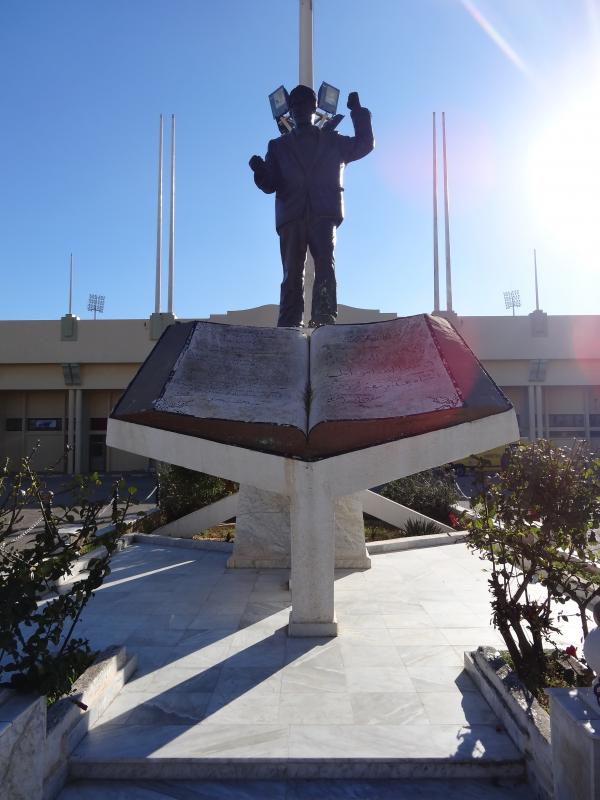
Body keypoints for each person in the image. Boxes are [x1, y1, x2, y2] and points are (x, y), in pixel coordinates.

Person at [249, 85, 374, 328]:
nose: (300, 110)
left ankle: (324, 318)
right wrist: (259, 170)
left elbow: (365, 143)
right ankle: (289, 323)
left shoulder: (332, 141)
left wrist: (358, 112)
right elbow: (270, 184)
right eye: (296, 106)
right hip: (291, 215)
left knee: (326, 265)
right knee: (291, 273)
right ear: (291, 111)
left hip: (324, 212)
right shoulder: (278, 146)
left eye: (305, 105)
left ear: (313, 109)